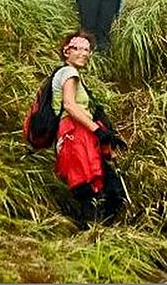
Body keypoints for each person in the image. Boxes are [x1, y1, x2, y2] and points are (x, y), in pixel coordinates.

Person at [51, 31, 128, 228]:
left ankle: (93, 233)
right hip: (75, 135)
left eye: (87, 49)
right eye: (78, 48)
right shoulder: (69, 73)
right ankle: (93, 236)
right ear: (66, 51)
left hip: (77, 134)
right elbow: (69, 105)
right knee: (92, 188)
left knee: (94, 188)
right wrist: (98, 131)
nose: (84, 53)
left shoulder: (65, 74)